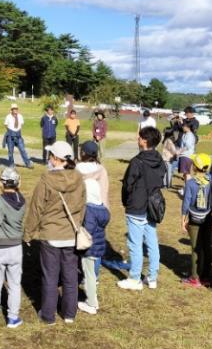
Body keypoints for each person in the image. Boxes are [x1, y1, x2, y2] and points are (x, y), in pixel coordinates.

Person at [23, 141, 86, 325]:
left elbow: (36, 208)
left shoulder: (46, 180)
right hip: (70, 234)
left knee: (50, 277)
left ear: (57, 159)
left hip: (51, 235)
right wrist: (78, 226)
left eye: (51, 156)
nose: (49, 159)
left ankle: (48, 315)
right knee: (70, 276)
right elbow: (82, 206)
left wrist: (28, 233)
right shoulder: (79, 178)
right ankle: (69, 314)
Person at [118, 126, 166, 291]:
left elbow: (127, 184)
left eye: (139, 138)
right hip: (152, 206)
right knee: (152, 242)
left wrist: (126, 201)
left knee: (135, 244)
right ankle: (152, 277)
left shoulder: (137, 162)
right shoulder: (159, 159)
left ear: (144, 141)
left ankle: (135, 278)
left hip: (138, 207)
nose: (137, 140)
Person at [0, 167, 26, 328]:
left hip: (0, 247)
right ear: (18, 183)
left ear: (1, 183)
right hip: (16, 247)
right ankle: (13, 318)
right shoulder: (22, 201)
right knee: (15, 284)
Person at [76, 141, 110, 315]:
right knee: (94, 258)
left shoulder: (78, 168)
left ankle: (92, 302)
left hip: (87, 215)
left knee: (87, 263)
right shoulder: (101, 169)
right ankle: (93, 280)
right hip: (101, 212)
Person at [180, 153, 212, 288]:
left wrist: (183, 219)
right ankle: (206, 277)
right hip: (207, 218)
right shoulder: (211, 182)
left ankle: (195, 277)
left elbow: (186, 203)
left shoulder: (190, 183)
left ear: (194, 167)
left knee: (196, 248)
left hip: (194, 219)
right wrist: (211, 215)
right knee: (207, 247)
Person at [3, 104, 33, 169]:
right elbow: (5, 124)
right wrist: (9, 131)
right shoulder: (8, 116)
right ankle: (11, 164)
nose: (15, 110)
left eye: (16, 108)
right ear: (11, 110)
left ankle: (28, 163)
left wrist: (18, 131)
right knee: (10, 151)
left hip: (18, 135)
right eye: (14, 109)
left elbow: (21, 124)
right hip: (10, 136)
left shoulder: (20, 116)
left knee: (22, 150)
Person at [177, 121, 197, 188]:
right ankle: (186, 187)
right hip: (184, 155)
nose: (182, 127)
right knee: (185, 174)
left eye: (183, 126)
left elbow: (187, 146)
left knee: (187, 173)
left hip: (187, 156)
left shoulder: (189, 135)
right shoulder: (185, 134)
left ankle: (188, 188)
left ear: (187, 127)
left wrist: (179, 151)